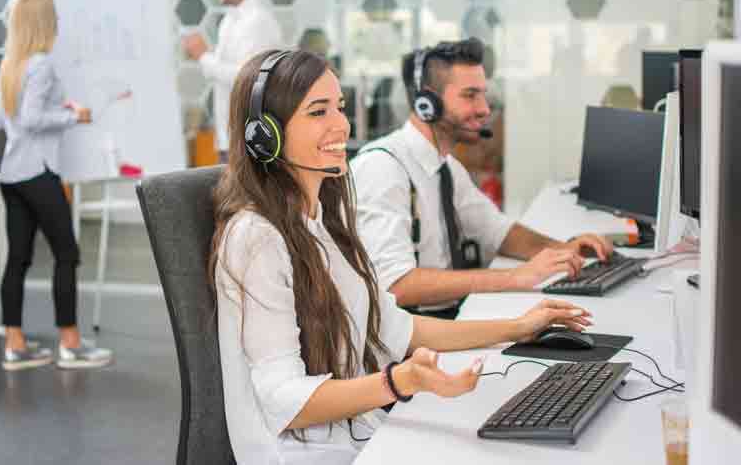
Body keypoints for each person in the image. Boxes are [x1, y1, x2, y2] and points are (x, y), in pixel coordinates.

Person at [209, 48, 593, 464]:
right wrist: (397, 382)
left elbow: (398, 328)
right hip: (306, 454)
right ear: (264, 135)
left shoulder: (321, 219)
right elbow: (284, 398)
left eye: (340, 107)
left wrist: (519, 328)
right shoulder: (256, 239)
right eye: (318, 112)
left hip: (355, 433)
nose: (341, 123)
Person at [351, 38, 612, 319]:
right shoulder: (383, 169)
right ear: (427, 103)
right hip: (407, 340)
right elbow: (397, 285)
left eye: (483, 95)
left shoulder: (445, 166)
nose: (485, 109)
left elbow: (497, 231)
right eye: (470, 95)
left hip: (444, 319)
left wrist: (563, 250)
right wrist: (516, 278)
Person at [0, 0, 113, 371]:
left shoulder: (11, 63)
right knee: (67, 254)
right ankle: (71, 343)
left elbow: (3, 119)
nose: (59, 24)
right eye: (55, 17)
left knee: (18, 259)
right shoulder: (41, 65)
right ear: (42, 23)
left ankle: (14, 345)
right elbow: (30, 120)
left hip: (12, 173)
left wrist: (54, 108)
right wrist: (72, 117)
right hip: (38, 172)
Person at [182, 0, 282, 163]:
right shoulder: (230, 19)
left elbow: (248, 77)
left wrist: (203, 57)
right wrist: (206, 58)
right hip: (228, 138)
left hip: (248, 141)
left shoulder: (258, 21)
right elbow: (221, 73)